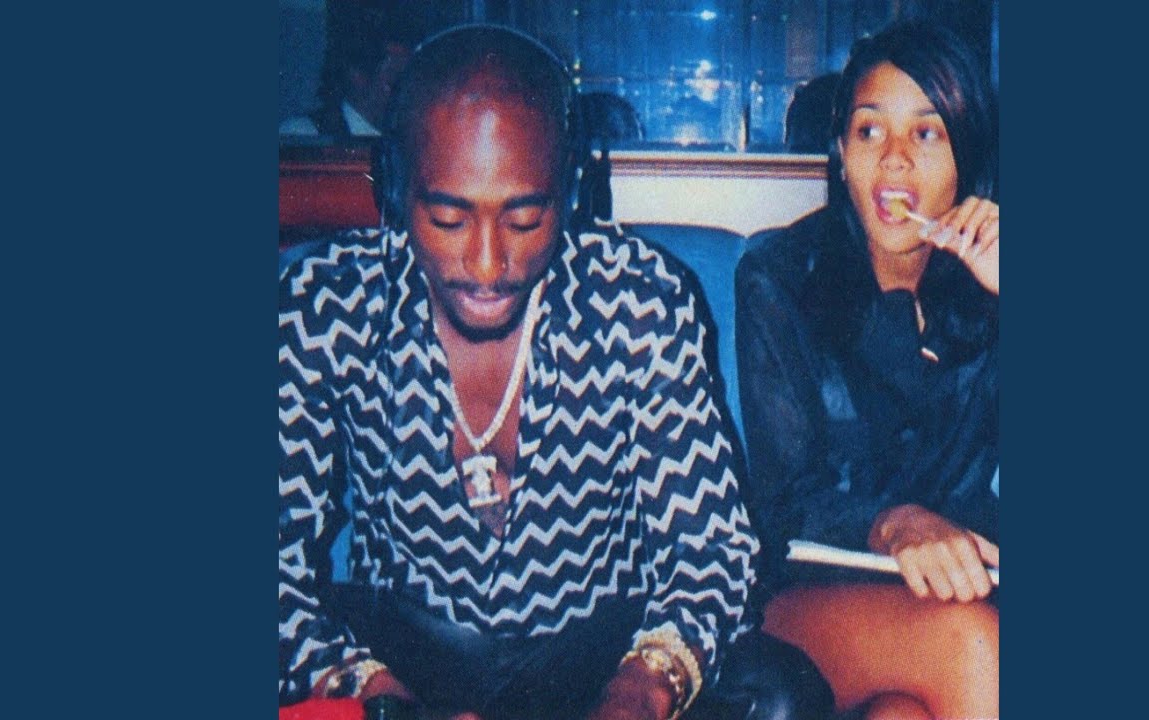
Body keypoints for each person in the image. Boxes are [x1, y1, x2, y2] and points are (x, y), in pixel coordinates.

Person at [279, 24, 830, 720]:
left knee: (779, 696)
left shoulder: (640, 297)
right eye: (448, 218)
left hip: (601, 658)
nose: (487, 263)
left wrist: (640, 694)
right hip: (399, 659)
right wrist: (377, 697)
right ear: (394, 191)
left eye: (525, 218)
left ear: (571, 192)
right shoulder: (327, 302)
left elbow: (712, 550)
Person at [735, 21, 999, 720]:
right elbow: (785, 502)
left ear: (967, 154)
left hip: (952, 593)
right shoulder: (780, 277)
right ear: (842, 152)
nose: (894, 160)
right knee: (971, 644)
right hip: (806, 596)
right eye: (869, 130)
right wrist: (894, 523)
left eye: (927, 133)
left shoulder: (990, 287)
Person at [278, 2, 414, 139]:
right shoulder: (303, 134)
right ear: (358, 77)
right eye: (396, 83)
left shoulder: (411, 140)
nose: (408, 94)